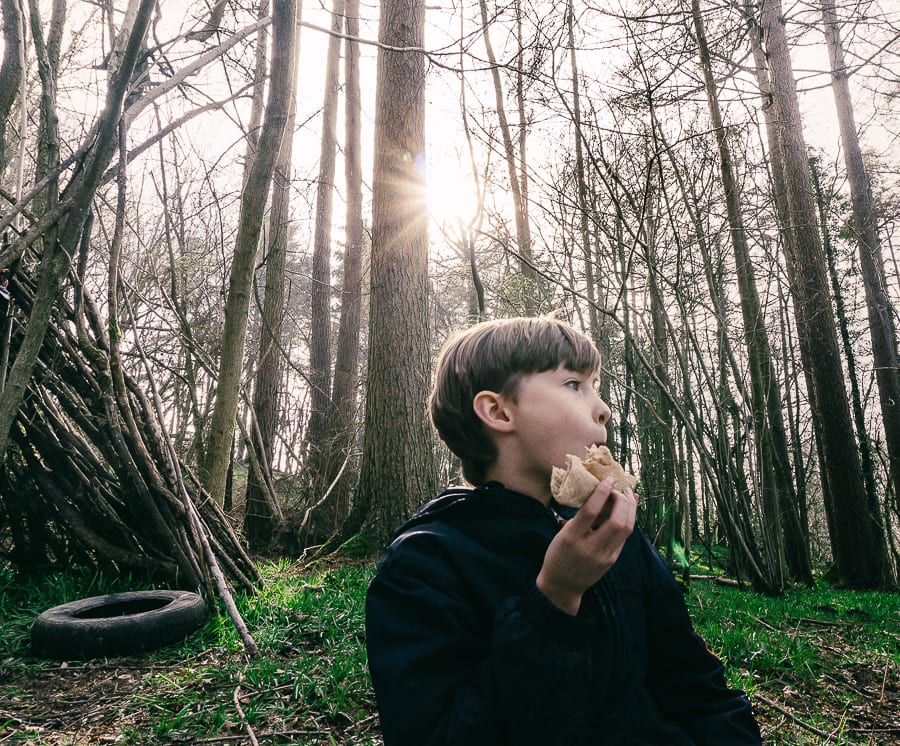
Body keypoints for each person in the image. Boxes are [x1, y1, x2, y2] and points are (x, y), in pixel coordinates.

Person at [365, 316, 763, 745]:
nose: (603, 408)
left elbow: (696, 686)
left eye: (596, 385)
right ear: (498, 411)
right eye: (574, 384)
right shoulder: (423, 566)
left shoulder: (615, 537)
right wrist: (553, 599)